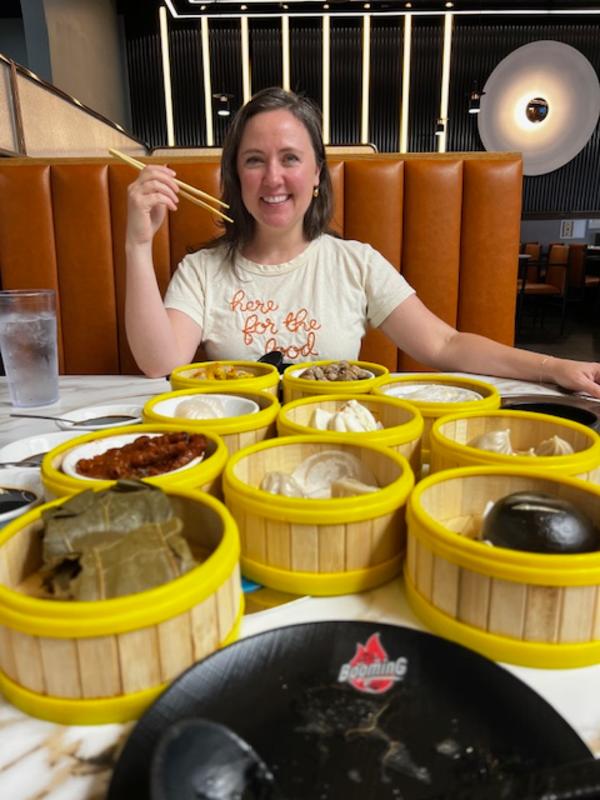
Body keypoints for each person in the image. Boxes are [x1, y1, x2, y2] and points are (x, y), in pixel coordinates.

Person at [125, 87, 600, 399]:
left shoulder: (354, 263)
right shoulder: (204, 270)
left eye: (290, 158)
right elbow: (159, 361)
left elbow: (444, 343)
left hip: (338, 442)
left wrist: (552, 366)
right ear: (236, 175)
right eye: (254, 160)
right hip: (238, 449)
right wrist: (138, 244)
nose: (272, 177)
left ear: (315, 174)